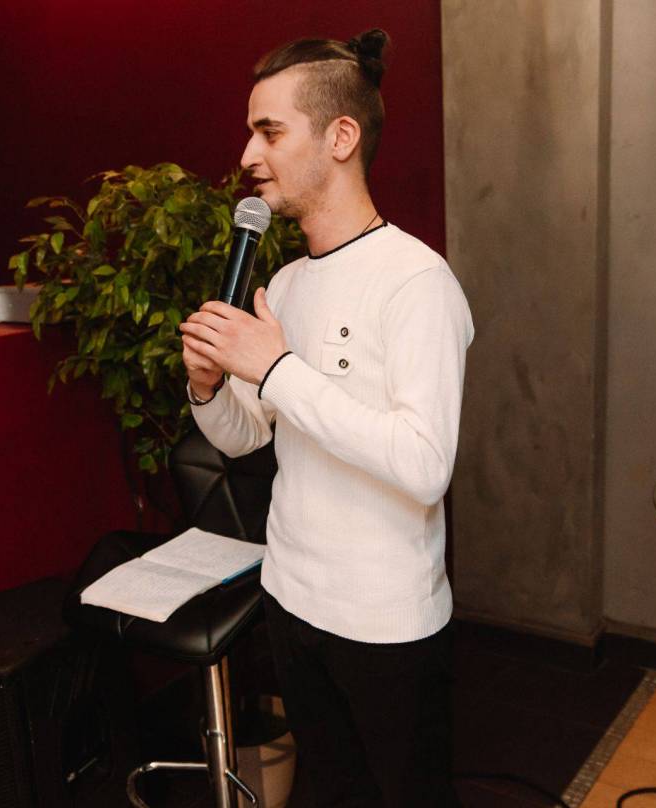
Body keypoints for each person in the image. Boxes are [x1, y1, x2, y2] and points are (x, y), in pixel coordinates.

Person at [179, 28, 472, 808]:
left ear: (341, 137)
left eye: (269, 131)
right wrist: (210, 389)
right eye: (251, 132)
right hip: (290, 598)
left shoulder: (416, 282)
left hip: (385, 622)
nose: (248, 154)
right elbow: (250, 434)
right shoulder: (288, 285)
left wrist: (277, 367)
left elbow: (424, 464)